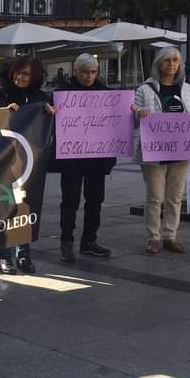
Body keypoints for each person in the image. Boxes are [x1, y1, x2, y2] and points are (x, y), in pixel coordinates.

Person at [0, 58, 54, 274]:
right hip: (3, 163)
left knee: (26, 207)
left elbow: (48, 128)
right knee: (4, 208)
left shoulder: (39, 98)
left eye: (26, 74)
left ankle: (23, 254)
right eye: (18, 73)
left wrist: (50, 113)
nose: (21, 77)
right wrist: (2, 111)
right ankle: (4, 256)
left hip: (28, 163)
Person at [134, 46, 190, 255]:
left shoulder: (188, 89)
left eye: (175, 61)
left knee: (175, 197)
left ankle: (171, 235)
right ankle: (154, 237)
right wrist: (139, 114)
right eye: (167, 60)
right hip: (154, 152)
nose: (171, 65)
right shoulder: (144, 90)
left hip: (180, 150)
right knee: (154, 197)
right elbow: (133, 119)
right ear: (158, 64)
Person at [51, 54, 115, 263]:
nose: (90, 76)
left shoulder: (106, 93)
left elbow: (118, 120)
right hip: (72, 158)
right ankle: (66, 242)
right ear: (76, 72)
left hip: (97, 157)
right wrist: (50, 111)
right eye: (85, 72)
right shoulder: (62, 94)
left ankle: (89, 241)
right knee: (70, 201)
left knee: (95, 200)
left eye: (93, 72)